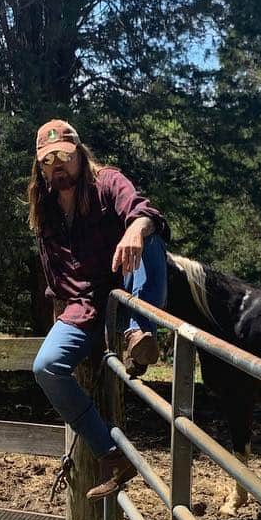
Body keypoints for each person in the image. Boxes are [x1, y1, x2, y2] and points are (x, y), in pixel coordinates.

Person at [29, 119, 169, 500]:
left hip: (125, 292)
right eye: (47, 160)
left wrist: (135, 230)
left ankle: (140, 333)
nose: (57, 165)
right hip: (84, 306)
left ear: (79, 154)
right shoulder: (45, 209)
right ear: (40, 167)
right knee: (46, 368)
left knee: (149, 237)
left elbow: (144, 211)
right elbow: (56, 276)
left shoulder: (108, 182)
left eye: (64, 156)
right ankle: (111, 453)